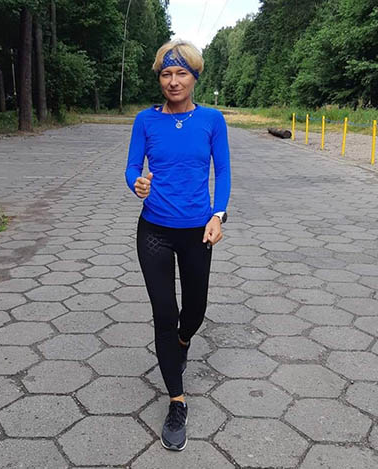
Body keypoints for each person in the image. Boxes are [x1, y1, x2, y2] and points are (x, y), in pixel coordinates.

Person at [125, 39, 231, 451]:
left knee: (195, 309)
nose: (173, 81)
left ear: (195, 77)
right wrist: (136, 182)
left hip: (197, 231)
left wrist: (217, 215)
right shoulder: (145, 121)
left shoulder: (212, 120)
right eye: (166, 74)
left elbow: (222, 171)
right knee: (164, 314)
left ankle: (183, 342)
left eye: (181, 73)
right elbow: (133, 167)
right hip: (154, 229)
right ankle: (176, 400)